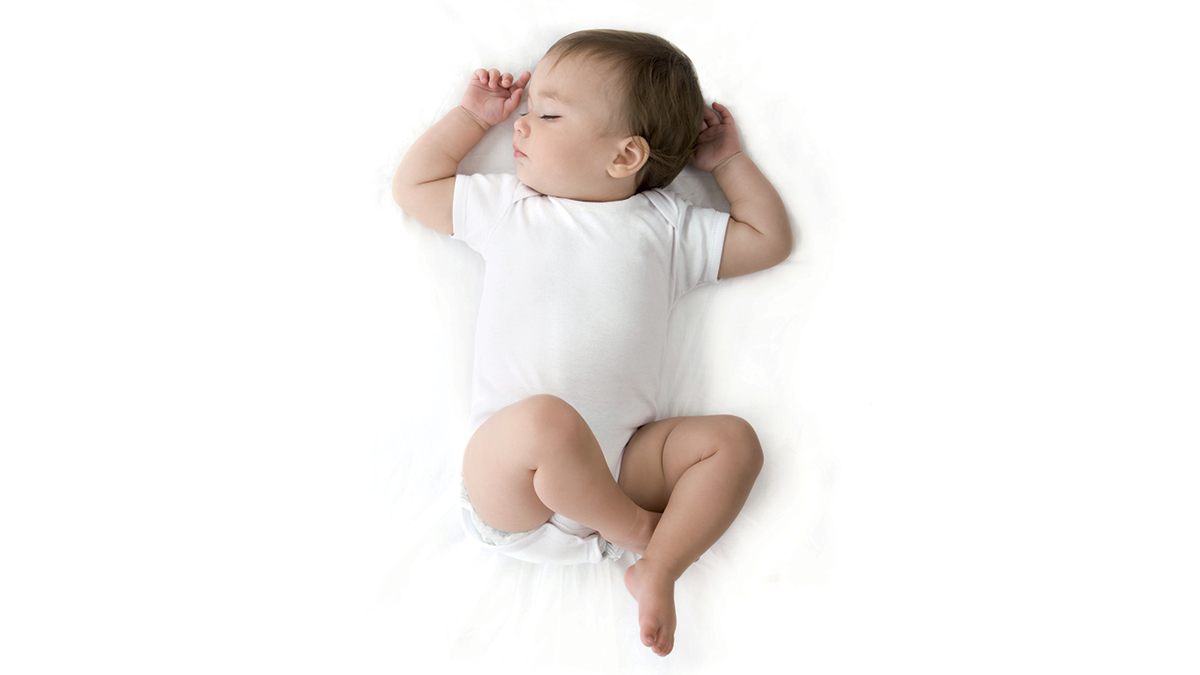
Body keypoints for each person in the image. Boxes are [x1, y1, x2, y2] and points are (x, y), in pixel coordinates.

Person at [392, 29, 792, 658]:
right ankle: (642, 536)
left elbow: (768, 238)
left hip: (622, 466)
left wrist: (727, 163)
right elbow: (414, 188)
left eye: (548, 114)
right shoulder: (512, 207)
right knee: (546, 422)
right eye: (526, 113)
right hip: (514, 484)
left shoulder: (666, 228)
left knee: (733, 442)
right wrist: (470, 119)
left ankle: (658, 568)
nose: (521, 126)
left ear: (625, 155)